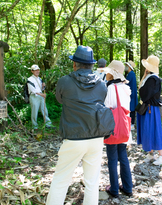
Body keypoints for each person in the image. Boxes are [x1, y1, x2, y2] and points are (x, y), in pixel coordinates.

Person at [46, 46, 114, 205]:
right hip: (96, 137)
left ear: (74, 64)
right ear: (91, 65)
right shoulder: (102, 84)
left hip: (73, 137)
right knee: (92, 182)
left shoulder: (64, 81)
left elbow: (60, 100)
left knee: (61, 180)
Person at [103, 60, 133, 198]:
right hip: (124, 127)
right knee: (123, 157)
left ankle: (114, 188)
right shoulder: (126, 88)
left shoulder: (111, 88)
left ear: (112, 73)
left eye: (108, 72)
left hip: (113, 128)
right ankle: (127, 187)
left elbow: (107, 107)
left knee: (112, 158)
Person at [137, 55, 162, 166]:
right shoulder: (150, 77)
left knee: (154, 130)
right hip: (149, 108)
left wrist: (144, 78)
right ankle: (151, 154)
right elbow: (140, 89)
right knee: (148, 130)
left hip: (150, 109)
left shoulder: (153, 79)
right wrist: (144, 75)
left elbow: (143, 94)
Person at [27, 64, 52, 130]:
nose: (37, 71)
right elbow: (33, 90)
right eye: (35, 70)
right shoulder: (30, 79)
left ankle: (48, 124)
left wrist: (43, 86)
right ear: (32, 71)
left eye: (38, 70)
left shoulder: (40, 79)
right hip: (34, 97)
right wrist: (42, 95)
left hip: (40, 96)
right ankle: (34, 126)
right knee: (34, 111)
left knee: (44, 110)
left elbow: (41, 89)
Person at [125, 60, 138, 130]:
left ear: (129, 67)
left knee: (132, 109)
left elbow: (126, 82)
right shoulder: (130, 74)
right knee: (131, 108)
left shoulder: (131, 74)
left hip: (131, 94)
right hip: (131, 94)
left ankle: (132, 124)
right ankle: (131, 123)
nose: (125, 67)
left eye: (126, 66)